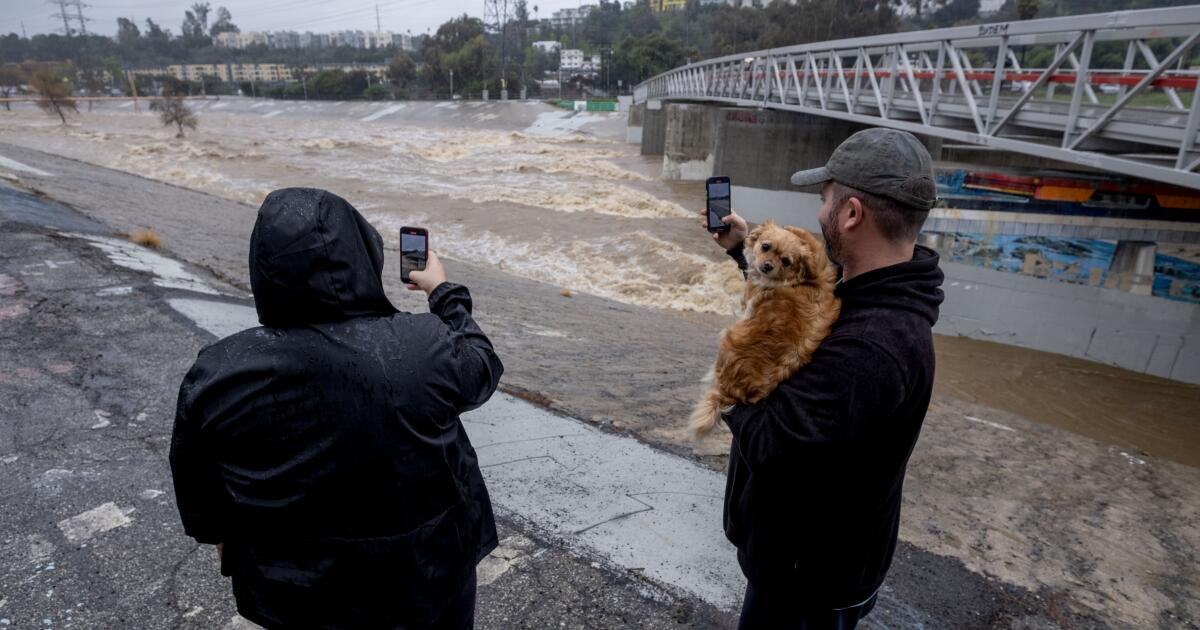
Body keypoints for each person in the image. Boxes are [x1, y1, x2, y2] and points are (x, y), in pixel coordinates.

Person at [170, 188, 503, 629]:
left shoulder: (220, 370)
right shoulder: (423, 347)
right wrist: (442, 290)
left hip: (293, 591)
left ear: (265, 268)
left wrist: (217, 535)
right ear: (364, 256)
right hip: (429, 575)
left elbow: (195, 477)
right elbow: (482, 364)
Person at [705, 128, 945, 629]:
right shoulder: (868, 290)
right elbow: (801, 299)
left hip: (808, 583)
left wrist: (730, 381)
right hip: (807, 562)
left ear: (851, 214)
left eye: (824, 200)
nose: (818, 213)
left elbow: (773, 446)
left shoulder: (870, 347)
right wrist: (743, 248)